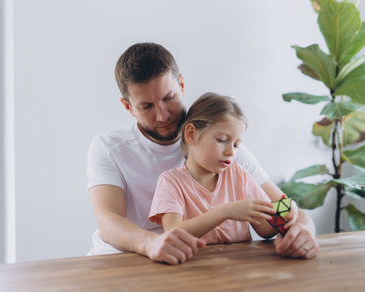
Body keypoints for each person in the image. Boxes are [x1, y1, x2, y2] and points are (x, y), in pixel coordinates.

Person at [86, 42, 318, 264]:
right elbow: (108, 222)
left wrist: (301, 230)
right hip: (124, 259)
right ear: (128, 107)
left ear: (182, 86)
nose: (163, 116)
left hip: (206, 261)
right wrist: (152, 245)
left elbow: (282, 207)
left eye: (169, 98)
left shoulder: (226, 152)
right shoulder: (109, 149)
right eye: (147, 106)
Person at [149, 92, 284, 249]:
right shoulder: (171, 182)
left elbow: (265, 229)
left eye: (236, 145)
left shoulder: (238, 174)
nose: (231, 152)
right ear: (191, 134)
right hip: (193, 269)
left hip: (239, 266)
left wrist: (287, 210)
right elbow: (173, 232)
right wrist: (225, 212)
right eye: (222, 140)